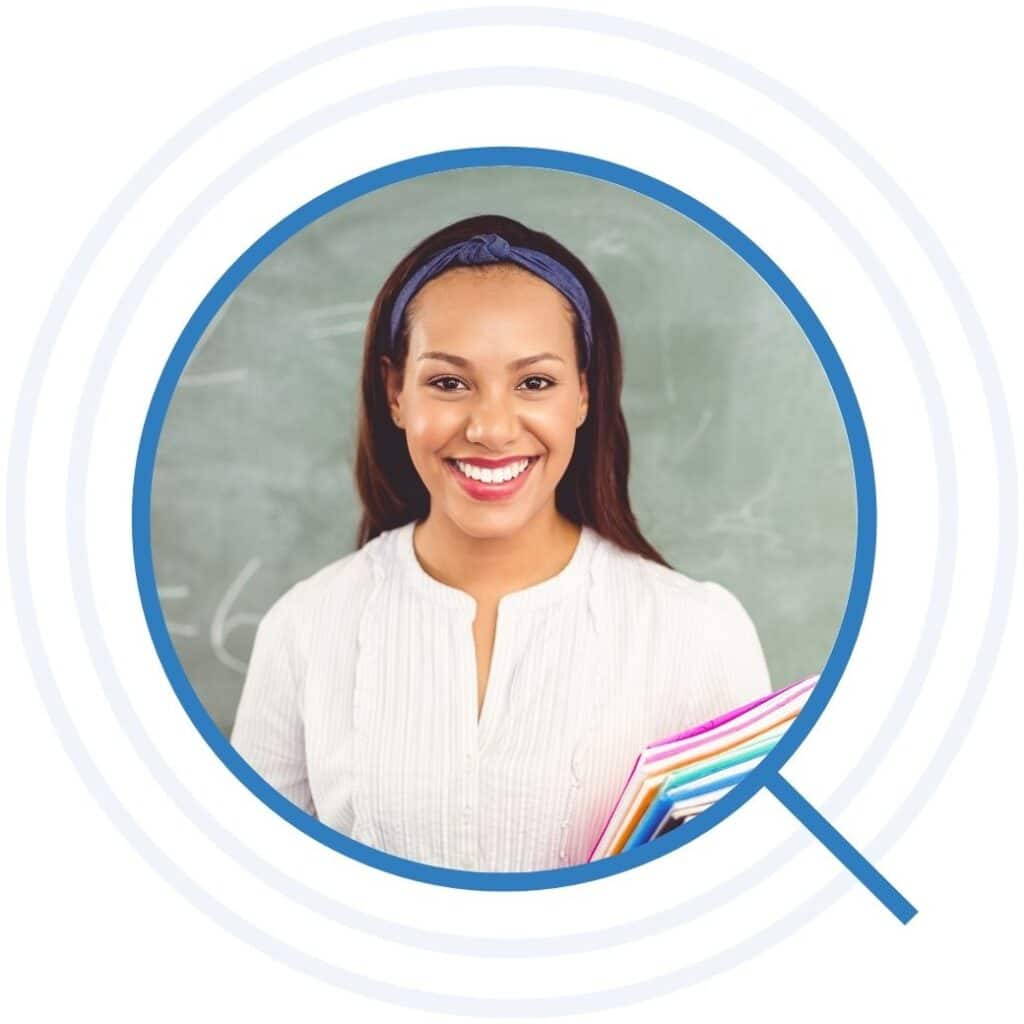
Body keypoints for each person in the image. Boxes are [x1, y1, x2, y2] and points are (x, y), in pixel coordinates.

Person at [230, 214, 771, 872]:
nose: (489, 428)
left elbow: (739, 889)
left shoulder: (699, 632)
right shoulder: (305, 627)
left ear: (583, 395)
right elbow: (258, 883)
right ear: (396, 391)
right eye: (448, 382)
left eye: (535, 383)